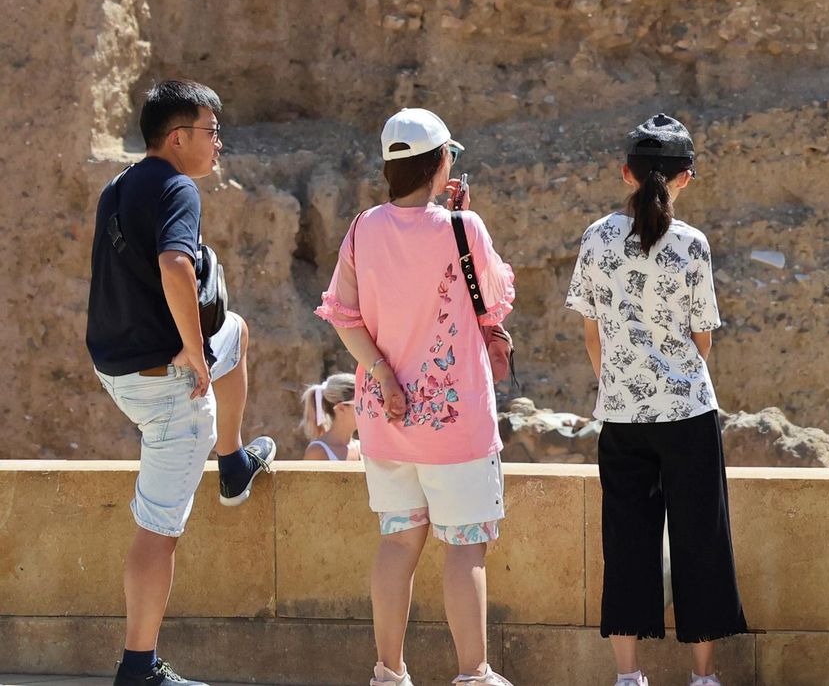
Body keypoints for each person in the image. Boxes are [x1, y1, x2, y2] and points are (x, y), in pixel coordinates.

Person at [315, 108, 516, 686]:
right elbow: (495, 298)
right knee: (464, 550)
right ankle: (473, 674)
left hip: (385, 419)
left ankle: (389, 672)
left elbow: (342, 315)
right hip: (456, 425)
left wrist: (379, 370)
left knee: (398, 545)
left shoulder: (362, 227)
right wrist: (464, 219)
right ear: (440, 162)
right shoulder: (462, 228)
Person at [86, 78, 276, 686]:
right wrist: (193, 352)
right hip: (168, 384)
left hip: (118, 370)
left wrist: (204, 348)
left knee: (237, 334)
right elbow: (174, 264)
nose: (219, 144)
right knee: (158, 530)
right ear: (177, 137)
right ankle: (137, 669)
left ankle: (233, 463)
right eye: (211, 131)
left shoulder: (119, 186)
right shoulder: (178, 188)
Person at [565, 113, 747, 686]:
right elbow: (703, 335)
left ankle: (628, 675)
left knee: (627, 542)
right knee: (701, 539)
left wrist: (615, 380)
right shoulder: (692, 243)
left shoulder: (596, 237)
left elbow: (591, 329)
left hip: (621, 415)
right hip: (687, 413)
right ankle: (703, 676)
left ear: (626, 173)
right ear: (686, 177)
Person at [300, 372, 362, 461]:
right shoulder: (317, 452)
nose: (368, 409)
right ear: (341, 408)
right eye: (361, 403)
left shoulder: (361, 448)